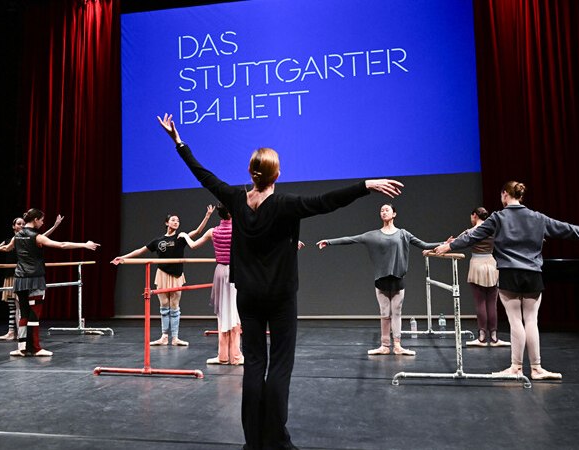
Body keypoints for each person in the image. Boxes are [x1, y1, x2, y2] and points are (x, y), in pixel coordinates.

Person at [158, 113, 403, 450]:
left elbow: (203, 174)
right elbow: (326, 202)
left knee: (254, 366)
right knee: (280, 367)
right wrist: (366, 186)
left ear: (250, 173)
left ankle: (253, 441)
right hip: (281, 297)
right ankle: (276, 439)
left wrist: (178, 141)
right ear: (277, 175)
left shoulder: (234, 198)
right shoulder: (286, 204)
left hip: (248, 297)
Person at [434, 181, 579, 380]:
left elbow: (473, 236)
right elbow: (565, 228)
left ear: (505, 194)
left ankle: (516, 367)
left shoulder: (498, 217)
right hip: (532, 274)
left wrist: (449, 247)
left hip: (509, 274)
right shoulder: (537, 217)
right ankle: (537, 368)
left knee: (516, 322)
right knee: (531, 320)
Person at [317, 203, 441, 356]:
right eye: (381, 210)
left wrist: (446, 244)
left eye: (387, 210)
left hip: (397, 278)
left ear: (394, 214)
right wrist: (329, 242)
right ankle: (384, 345)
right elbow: (351, 239)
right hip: (381, 279)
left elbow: (424, 245)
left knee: (396, 312)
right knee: (384, 313)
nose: (383, 212)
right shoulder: (373, 235)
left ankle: (397, 345)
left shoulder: (403, 234)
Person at [0, 208, 99, 357]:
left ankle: (22, 348)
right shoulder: (37, 237)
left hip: (20, 279)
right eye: (41, 220)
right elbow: (61, 245)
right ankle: (35, 348)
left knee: (23, 313)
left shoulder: (16, 237)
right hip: (35, 279)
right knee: (34, 314)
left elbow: (6, 249)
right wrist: (84, 245)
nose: (42, 223)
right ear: (35, 220)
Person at [112, 206, 213, 346]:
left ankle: (175, 338)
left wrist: (207, 216)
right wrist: (123, 257)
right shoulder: (157, 241)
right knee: (164, 306)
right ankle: (164, 336)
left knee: (175, 305)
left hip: (177, 275)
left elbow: (197, 232)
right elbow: (140, 251)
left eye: (178, 220)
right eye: (173, 220)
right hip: (162, 275)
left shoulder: (181, 237)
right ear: (167, 223)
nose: (176, 222)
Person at [0, 215, 63, 340]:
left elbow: (43, 237)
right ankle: (11, 332)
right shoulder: (12, 239)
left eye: (23, 223)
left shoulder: (26, 238)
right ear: (13, 226)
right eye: (18, 224)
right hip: (9, 276)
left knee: (20, 306)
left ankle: (22, 335)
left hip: (20, 275)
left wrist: (55, 226)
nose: (21, 225)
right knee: (11, 306)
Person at [179, 204, 244, 365]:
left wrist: (185, 236)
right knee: (235, 313)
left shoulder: (213, 231)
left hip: (221, 272)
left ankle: (223, 356)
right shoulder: (240, 229)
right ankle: (236, 356)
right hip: (237, 272)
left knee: (223, 314)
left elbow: (193, 245)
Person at [457, 207, 510, 347]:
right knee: (492, 303)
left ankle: (481, 337)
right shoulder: (493, 230)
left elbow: (457, 242)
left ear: (474, 215)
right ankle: (494, 337)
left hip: (477, 264)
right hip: (492, 264)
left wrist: (446, 244)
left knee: (480, 303)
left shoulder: (471, 231)